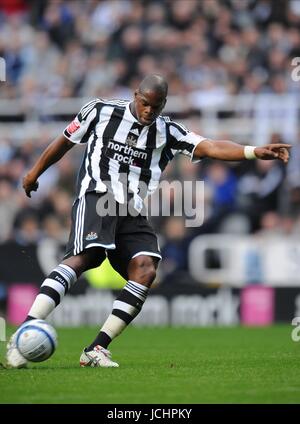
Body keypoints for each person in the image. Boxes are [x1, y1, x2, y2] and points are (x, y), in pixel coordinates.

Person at [7, 74, 290, 368]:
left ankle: (96, 349)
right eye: (144, 104)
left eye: (155, 107)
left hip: (132, 209)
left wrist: (252, 151)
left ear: (163, 105)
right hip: (98, 196)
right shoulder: (100, 111)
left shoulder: (168, 131)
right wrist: (33, 173)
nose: (148, 112)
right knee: (85, 257)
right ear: (135, 95)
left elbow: (210, 146)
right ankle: (22, 335)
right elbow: (64, 141)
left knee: (145, 270)